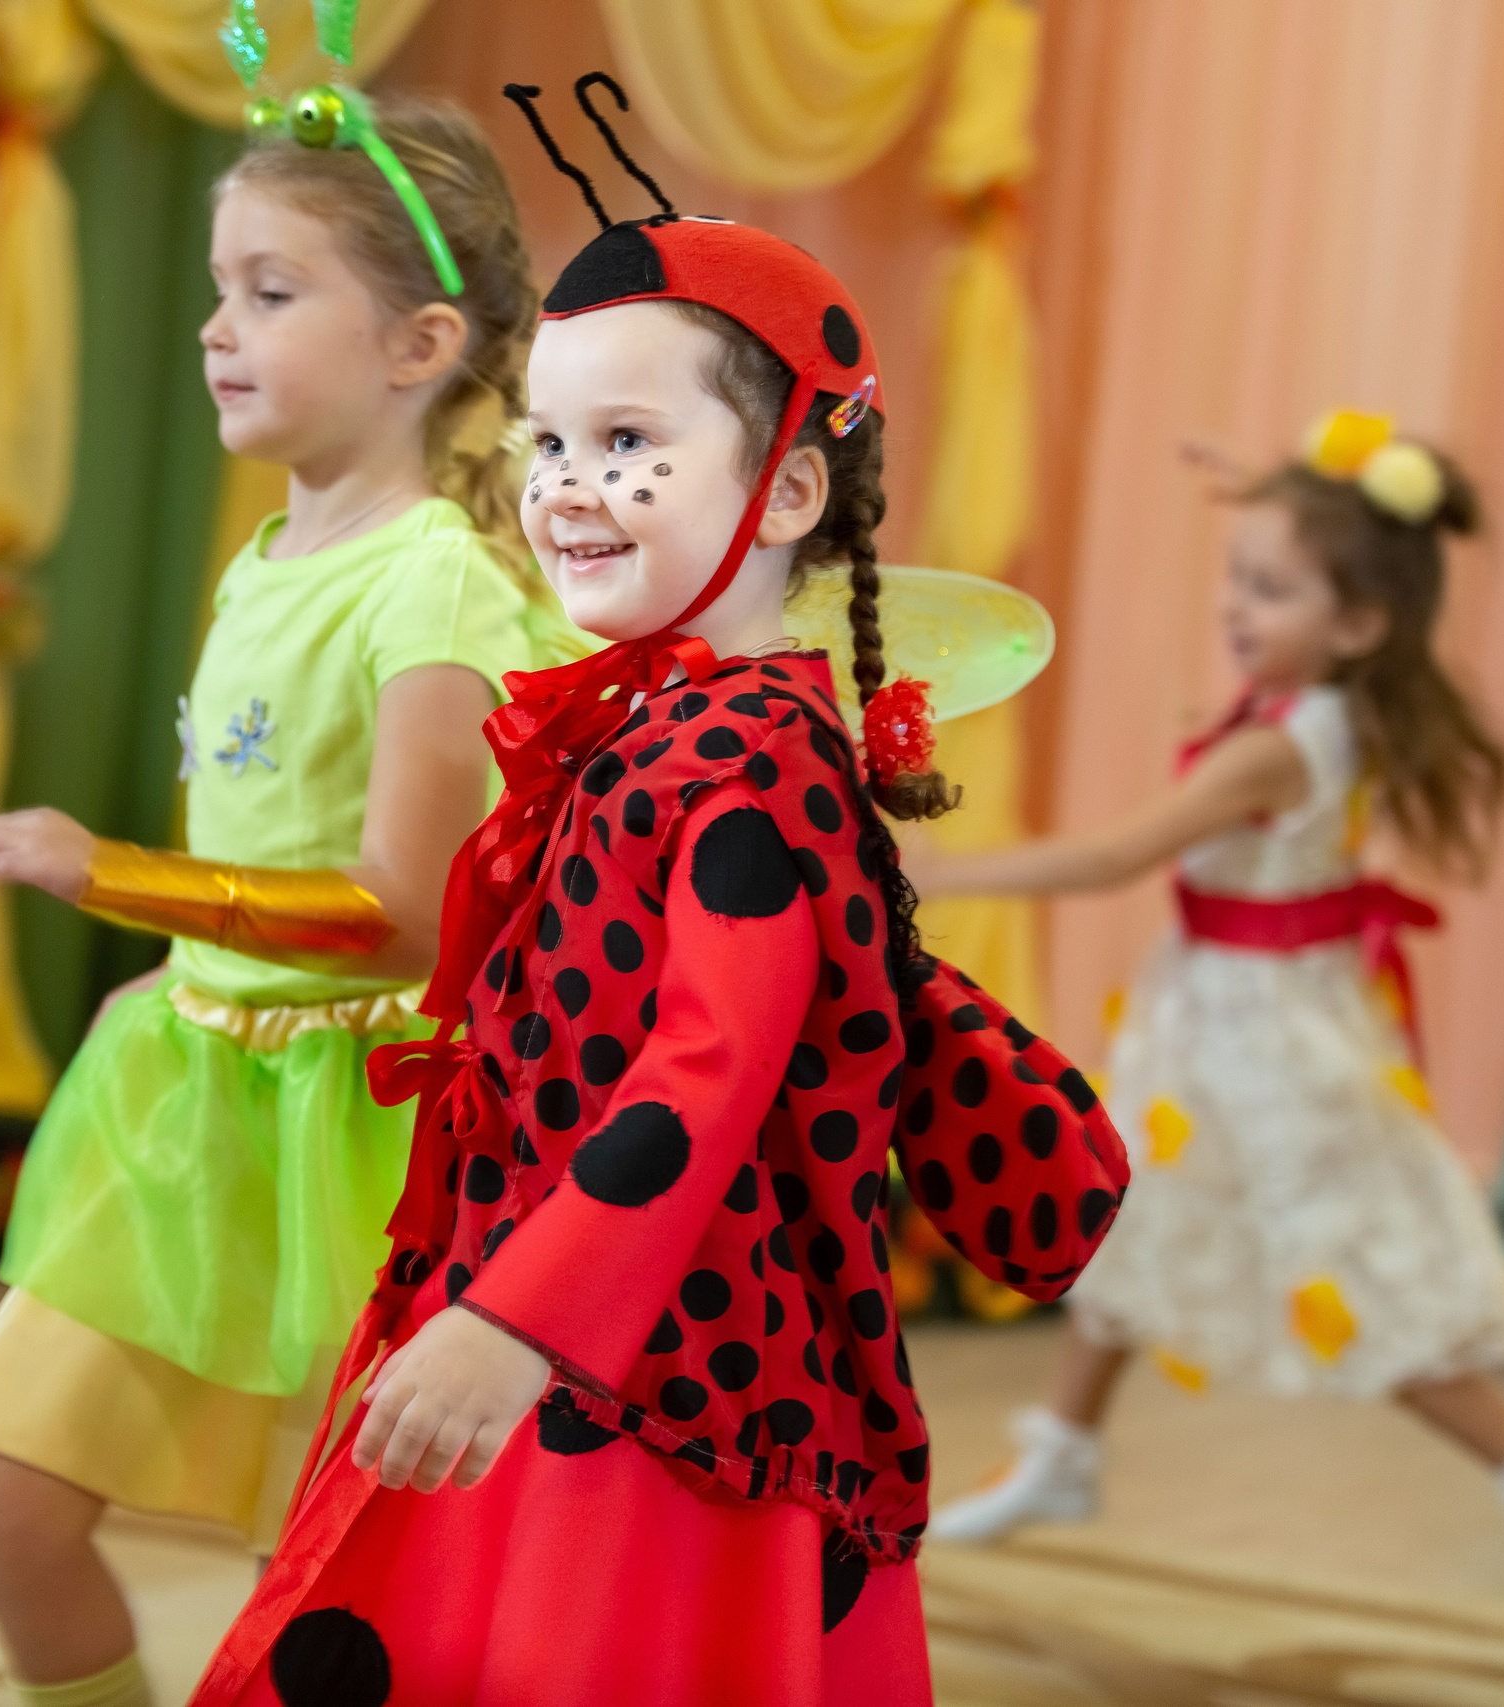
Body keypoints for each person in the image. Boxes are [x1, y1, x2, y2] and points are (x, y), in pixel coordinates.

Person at [189, 88, 1131, 1706]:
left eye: (629, 445)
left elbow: (708, 1076)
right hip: (580, 1319)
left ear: (786, 493)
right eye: (549, 442)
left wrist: (520, 1319)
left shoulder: (749, 757)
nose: (566, 485)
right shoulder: (656, 716)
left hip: (657, 1375)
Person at [0, 92, 572, 1707]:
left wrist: (122, 878)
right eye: (220, 288)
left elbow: (407, 914)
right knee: (1, 1504)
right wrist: (182, 973)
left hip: (365, 1132)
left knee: (364, 1577)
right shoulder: (262, 559)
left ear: (420, 344)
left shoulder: (437, 582)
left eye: (271, 293)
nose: (218, 328)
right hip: (199, 1097)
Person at [916, 412, 1504, 1645]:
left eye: (1270, 589)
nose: (1236, 607)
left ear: (1358, 623)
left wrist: (925, 871)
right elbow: (1333, 577)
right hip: (1232, 1015)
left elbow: (1110, 857)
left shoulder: (1277, 747)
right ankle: (1063, 1447)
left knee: (1354, 1286)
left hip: (1267, 1046)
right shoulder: (1334, 695)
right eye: (1237, 576)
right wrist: (1266, 492)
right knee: (1130, 1219)